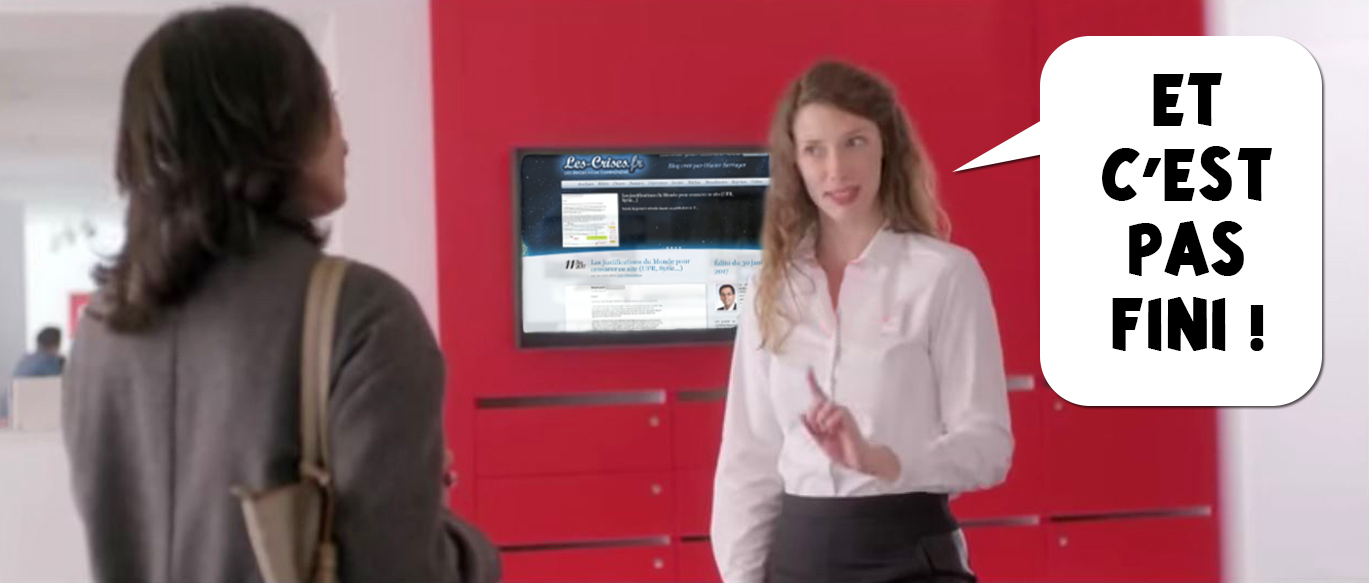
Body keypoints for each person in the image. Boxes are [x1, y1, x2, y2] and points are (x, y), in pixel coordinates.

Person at [61, 6, 498, 582]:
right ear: (272, 126)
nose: (345, 138)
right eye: (327, 103)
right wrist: (466, 543)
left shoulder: (101, 330)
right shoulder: (364, 315)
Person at [710, 61, 1013, 583]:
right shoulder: (771, 288)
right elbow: (748, 458)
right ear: (795, 163)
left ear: (885, 147)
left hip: (910, 553)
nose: (836, 169)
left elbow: (988, 448)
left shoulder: (944, 275)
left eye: (854, 142)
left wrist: (883, 460)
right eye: (815, 149)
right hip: (798, 559)